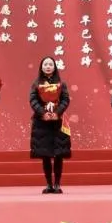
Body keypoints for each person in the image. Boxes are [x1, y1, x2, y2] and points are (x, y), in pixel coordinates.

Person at [29, 56, 71, 194]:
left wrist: (57, 113)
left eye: (50, 64)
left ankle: (57, 184)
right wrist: (43, 113)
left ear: (54, 67)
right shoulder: (36, 84)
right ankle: (49, 184)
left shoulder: (61, 84)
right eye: (45, 64)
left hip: (58, 122)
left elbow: (65, 100)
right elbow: (33, 101)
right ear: (41, 67)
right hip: (42, 123)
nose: (48, 66)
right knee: (45, 154)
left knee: (59, 154)